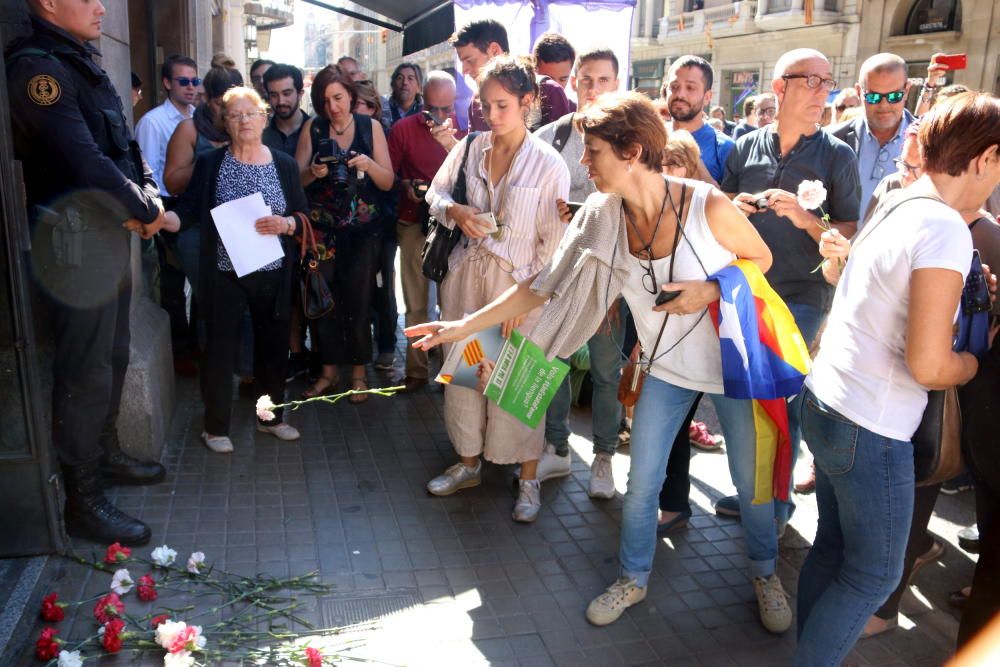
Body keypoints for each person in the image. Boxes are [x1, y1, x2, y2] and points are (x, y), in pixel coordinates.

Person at [407, 91, 795, 634]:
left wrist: (708, 290)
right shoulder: (600, 213)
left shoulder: (704, 204)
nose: (583, 164)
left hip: (732, 371)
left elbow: (761, 259)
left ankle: (764, 574)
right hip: (665, 370)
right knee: (641, 485)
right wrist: (461, 329)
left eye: (592, 152)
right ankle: (632, 578)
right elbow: (541, 287)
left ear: (632, 150)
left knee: (750, 483)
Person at [794, 92, 1000, 666]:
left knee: (833, 549)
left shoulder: (900, 201)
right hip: (871, 423)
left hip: (829, 399)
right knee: (873, 575)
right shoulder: (947, 230)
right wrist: (976, 363)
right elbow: (931, 367)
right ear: (985, 159)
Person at [8, 0, 169, 545]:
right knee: (85, 369)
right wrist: (148, 212)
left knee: (115, 353)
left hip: (107, 233)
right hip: (72, 243)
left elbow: (122, 147)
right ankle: (83, 496)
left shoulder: (81, 60)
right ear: (49, 4)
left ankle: (106, 456)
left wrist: (147, 199)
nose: (102, 7)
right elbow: (83, 161)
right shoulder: (38, 69)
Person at [422, 56, 570, 523]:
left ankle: (528, 479)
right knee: (466, 378)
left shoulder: (549, 163)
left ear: (528, 102)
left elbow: (555, 245)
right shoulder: (469, 148)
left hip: (521, 289)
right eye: (486, 104)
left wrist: (526, 297)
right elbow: (435, 193)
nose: (492, 113)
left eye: (503, 104)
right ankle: (468, 464)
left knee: (517, 383)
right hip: (468, 282)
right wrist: (456, 213)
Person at [718, 48, 860, 523]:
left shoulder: (838, 154)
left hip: (803, 296)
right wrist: (733, 208)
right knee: (751, 398)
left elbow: (850, 231)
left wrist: (804, 219)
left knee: (779, 396)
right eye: (812, 81)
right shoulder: (743, 146)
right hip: (747, 290)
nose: (824, 92)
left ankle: (775, 507)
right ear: (780, 88)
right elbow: (719, 209)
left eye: (828, 82)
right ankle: (757, 493)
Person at [163, 87, 308, 453]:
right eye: (234, 115)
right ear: (224, 123)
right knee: (219, 348)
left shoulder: (284, 164)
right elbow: (189, 210)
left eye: (250, 113)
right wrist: (160, 219)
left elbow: (303, 216)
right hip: (224, 271)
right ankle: (214, 428)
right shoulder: (211, 164)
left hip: (272, 270)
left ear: (264, 117)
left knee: (273, 347)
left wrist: (286, 224)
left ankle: (270, 419)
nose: (244, 120)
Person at [534, 48, 624, 498]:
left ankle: (605, 457)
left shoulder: (631, 140)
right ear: (573, 84)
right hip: (560, 270)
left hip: (610, 276)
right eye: (586, 80)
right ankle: (558, 447)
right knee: (553, 362)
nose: (593, 88)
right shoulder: (549, 136)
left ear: (617, 83)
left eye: (603, 80)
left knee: (608, 371)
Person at [295, 66, 395, 403]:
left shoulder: (371, 127)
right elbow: (296, 181)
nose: (333, 107)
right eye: (325, 101)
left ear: (351, 96)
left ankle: (358, 373)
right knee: (325, 303)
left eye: (338, 97)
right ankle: (328, 372)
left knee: (360, 301)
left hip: (363, 231)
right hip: (321, 232)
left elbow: (388, 181)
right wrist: (314, 171)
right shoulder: (314, 126)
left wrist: (367, 164)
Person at [388, 71, 465, 393]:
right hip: (413, 222)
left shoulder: (467, 129)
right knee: (416, 302)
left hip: (455, 227)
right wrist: (406, 186)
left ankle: (451, 373)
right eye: (435, 109)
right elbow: (387, 177)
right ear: (422, 101)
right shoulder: (403, 129)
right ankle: (417, 372)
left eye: (448, 109)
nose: (442, 117)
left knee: (454, 304)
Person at [830, 53, 915, 217]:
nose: (884, 105)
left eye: (894, 96)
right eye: (873, 97)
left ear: (906, 90)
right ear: (859, 92)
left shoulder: (930, 143)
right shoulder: (832, 139)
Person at [450, 20, 572, 132]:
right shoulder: (476, 102)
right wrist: (448, 141)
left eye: (470, 61)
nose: (464, 70)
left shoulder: (548, 91)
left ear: (494, 50)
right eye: (487, 107)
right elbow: (474, 153)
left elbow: (561, 152)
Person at [662, 55, 734, 184]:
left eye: (690, 88)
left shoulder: (724, 148)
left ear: (707, 96)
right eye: (674, 86)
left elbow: (729, 202)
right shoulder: (651, 137)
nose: (680, 94)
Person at [135, 54, 198, 196]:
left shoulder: (199, 118)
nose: (190, 87)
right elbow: (149, 175)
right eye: (183, 81)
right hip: (168, 203)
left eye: (195, 81)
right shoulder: (152, 122)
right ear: (167, 83)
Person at [262, 64, 308, 157]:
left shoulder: (316, 131)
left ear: (300, 94)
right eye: (274, 95)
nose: (281, 101)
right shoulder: (261, 134)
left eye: (287, 94)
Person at [382, 62, 423, 130]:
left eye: (410, 78)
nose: (405, 82)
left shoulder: (424, 114)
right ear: (393, 85)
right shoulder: (383, 113)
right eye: (400, 78)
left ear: (419, 87)